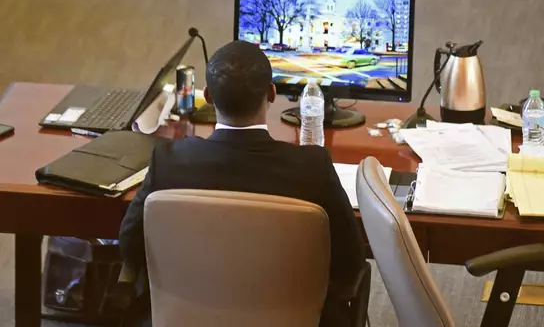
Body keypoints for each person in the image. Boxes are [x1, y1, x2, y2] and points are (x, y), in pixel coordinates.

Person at [119, 40, 366, 326]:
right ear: (271, 93)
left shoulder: (168, 162)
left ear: (208, 96)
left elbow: (131, 245)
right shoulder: (312, 168)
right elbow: (351, 262)